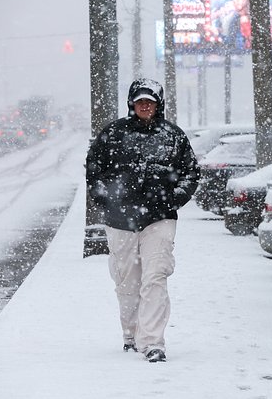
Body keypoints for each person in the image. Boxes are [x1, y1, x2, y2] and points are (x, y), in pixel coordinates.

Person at [85, 78, 200, 362]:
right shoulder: (113, 134)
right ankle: (131, 333)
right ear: (131, 104)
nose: (145, 105)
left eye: (150, 101)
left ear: (158, 104)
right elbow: (93, 170)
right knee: (126, 281)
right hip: (120, 219)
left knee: (155, 278)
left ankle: (153, 342)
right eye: (140, 101)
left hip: (159, 219)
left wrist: (172, 199)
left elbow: (190, 172)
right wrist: (106, 200)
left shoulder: (173, 136)